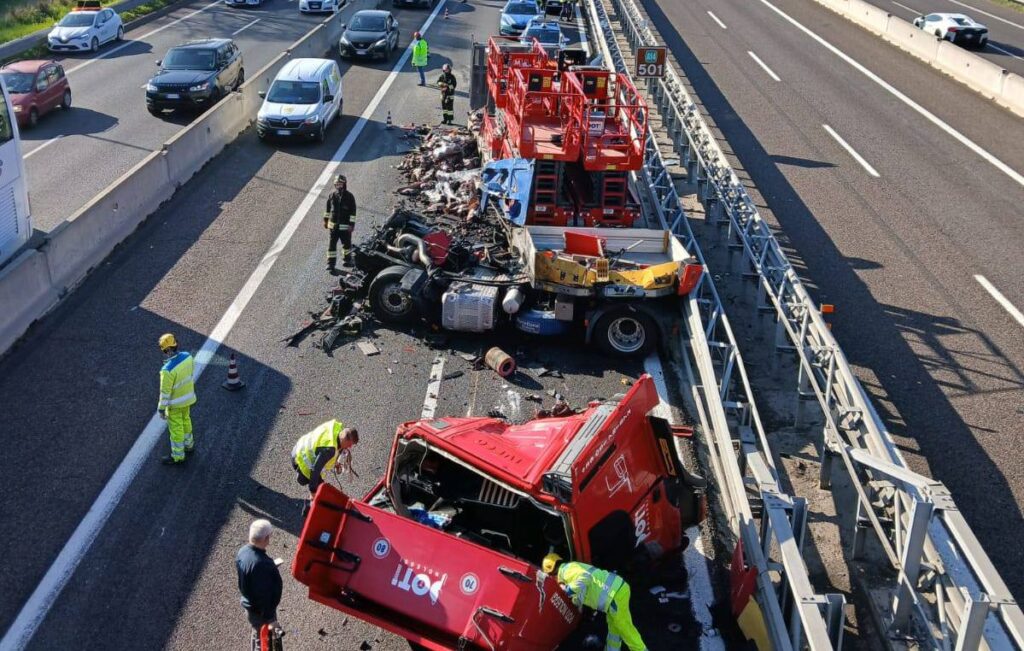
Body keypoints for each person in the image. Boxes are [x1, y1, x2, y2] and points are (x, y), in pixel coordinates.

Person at [543, 554, 648, 651]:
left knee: (625, 628)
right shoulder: (570, 569)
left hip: (614, 594)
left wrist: (568, 590)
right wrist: (573, 599)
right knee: (614, 631)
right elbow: (582, 592)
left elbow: (586, 577)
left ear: (552, 574)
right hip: (615, 593)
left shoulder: (566, 571)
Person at [292, 420, 360, 513]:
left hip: (299, 446)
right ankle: (308, 510)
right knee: (321, 491)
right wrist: (313, 491)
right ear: (346, 440)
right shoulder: (329, 450)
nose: (349, 447)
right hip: (300, 460)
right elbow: (315, 470)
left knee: (320, 488)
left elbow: (330, 447)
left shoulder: (336, 427)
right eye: (349, 445)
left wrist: (335, 461)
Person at [236, 519, 284, 650]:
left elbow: (251, 577)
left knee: (257, 634)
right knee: (264, 642)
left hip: (250, 605)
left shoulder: (243, 551)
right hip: (261, 612)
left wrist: (269, 569)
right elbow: (263, 596)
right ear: (266, 538)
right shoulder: (260, 564)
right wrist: (271, 619)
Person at [157, 333, 196, 465]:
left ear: (167, 350)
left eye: (163, 350)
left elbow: (165, 393)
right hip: (188, 399)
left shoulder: (167, 370)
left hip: (174, 405)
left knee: (176, 429)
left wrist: (161, 409)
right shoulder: (188, 357)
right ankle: (189, 445)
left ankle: (178, 456)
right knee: (186, 420)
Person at [324, 174, 357, 272]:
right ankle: (330, 264)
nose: (338, 186)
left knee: (346, 245)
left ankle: (347, 260)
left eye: (340, 184)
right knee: (331, 247)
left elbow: (353, 212)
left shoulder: (350, 197)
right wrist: (325, 220)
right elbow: (328, 209)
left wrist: (351, 225)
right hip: (333, 227)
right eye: (337, 184)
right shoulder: (332, 196)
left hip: (345, 228)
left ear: (344, 184)